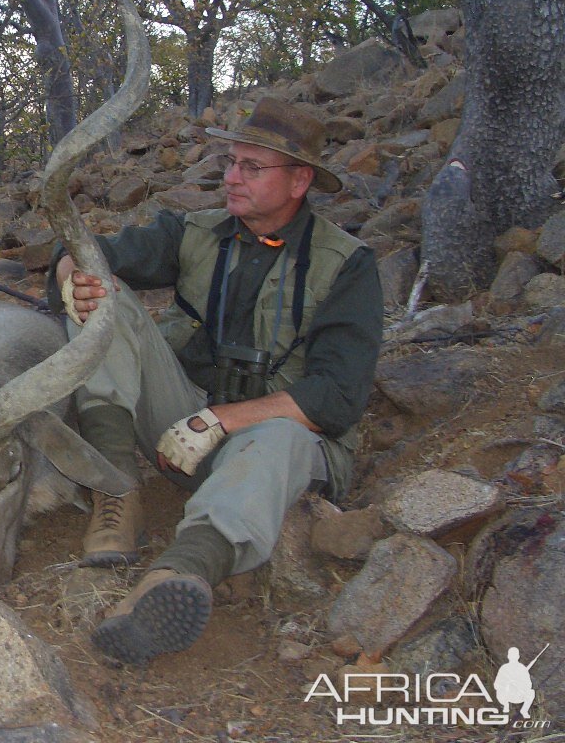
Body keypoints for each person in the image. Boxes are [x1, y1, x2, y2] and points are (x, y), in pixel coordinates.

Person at [50, 99, 383, 665]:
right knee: (103, 297)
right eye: (231, 162)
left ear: (300, 180)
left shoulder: (348, 264)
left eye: (252, 168)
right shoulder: (195, 232)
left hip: (280, 442)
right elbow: (88, 251)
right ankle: (115, 489)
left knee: (281, 437)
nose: (231, 178)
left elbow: (338, 397)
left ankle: (178, 574)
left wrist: (224, 420)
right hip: (185, 433)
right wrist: (70, 278)